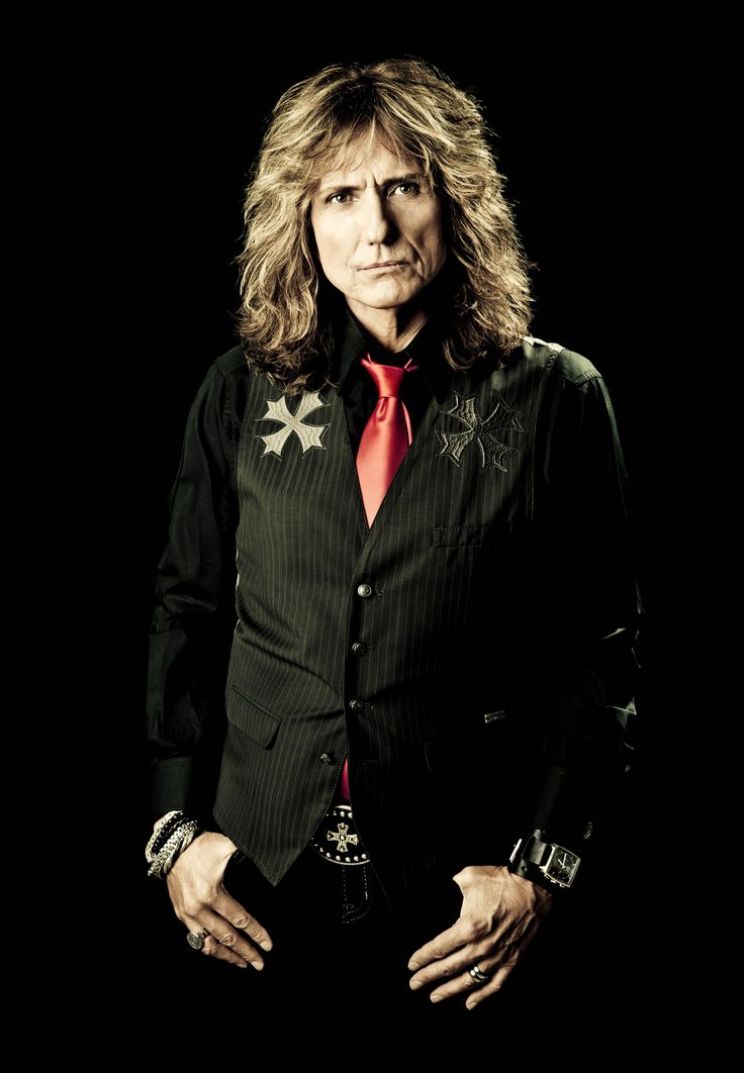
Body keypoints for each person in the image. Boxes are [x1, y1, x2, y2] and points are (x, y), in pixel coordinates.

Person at [144, 56, 644, 1036]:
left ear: (455, 201)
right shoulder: (237, 390)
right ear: (302, 219)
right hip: (253, 887)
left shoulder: (559, 399)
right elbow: (187, 609)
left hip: (460, 905)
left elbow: (605, 650)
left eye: (403, 186)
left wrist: (542, 866)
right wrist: (173, 831)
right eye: (339, 195)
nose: (374, 227)